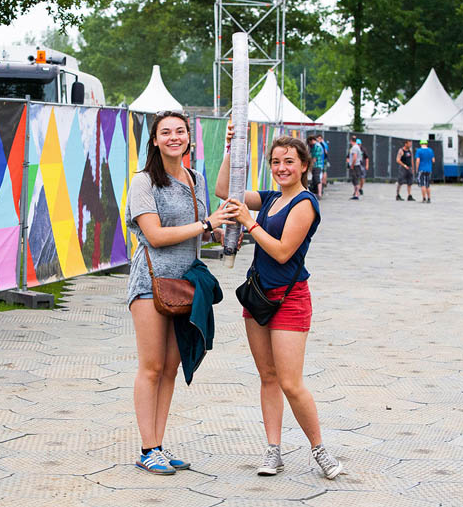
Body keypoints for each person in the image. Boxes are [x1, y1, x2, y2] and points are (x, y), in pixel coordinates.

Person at [215, 133, 343, 481]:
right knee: (268, 377)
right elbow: (224, 190)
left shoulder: (305, 203)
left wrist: (248, 222)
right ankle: (273, 451)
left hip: (290, 300)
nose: (281, 168)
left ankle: (319, 449)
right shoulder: (270, 198)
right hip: (258, 296)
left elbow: (283, 251)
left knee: (290, 381)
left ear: (304, 165)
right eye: (276, 162)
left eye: (289, 161)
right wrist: (231, 150)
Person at [126, 110, 234, 474]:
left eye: (180, 131)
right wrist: (204, 223)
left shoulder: (195, 179)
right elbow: (155, 236)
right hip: (150, 283)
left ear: (189, 137)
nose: (174, 137)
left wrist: (215, 230)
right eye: (165, 132)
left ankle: (159, 444)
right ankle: (146, 448)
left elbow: (196, 230)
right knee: (152, 367)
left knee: (170, 368)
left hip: (185, 285)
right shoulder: (143, 182)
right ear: (154, 140)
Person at [347, 135, 361, 200]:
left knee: (355, 180)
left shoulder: (354, 148)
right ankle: (356, 193)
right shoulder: (357, 147)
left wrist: (352, 165)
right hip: (357, 165)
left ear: (351, 141)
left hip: (355, 165)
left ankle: (356, 194)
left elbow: (354, 157)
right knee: (356, 179)